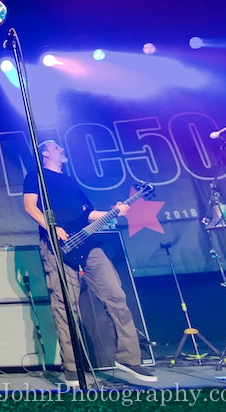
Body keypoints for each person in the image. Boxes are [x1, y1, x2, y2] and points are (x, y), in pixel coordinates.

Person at [22, 140, 156, 387]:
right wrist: (51, 227)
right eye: (57, 147)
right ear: (45, 153)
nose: (62, 149)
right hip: (56, 245)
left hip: (87, 243)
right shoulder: (35, 176)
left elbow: (87, 215)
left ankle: (128, 358)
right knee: (65, 306)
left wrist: (115, 211)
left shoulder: (70, 181)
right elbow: (30, 206)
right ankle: (72, 368)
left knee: (116, 295)